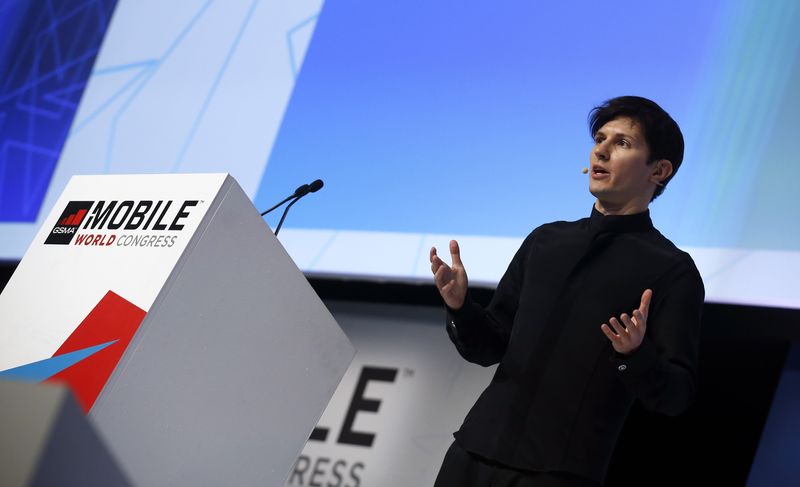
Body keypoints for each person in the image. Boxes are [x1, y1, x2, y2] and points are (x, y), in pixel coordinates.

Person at [429, 96, 704, 487]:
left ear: (659, 170)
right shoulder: (546, 241)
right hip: (472, 453)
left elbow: (675, 396)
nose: (601, 150)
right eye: (600, 139)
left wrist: (634, 354)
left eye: (622, 143)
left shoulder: (671, 271)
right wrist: (461, 307)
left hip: (559, 473)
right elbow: (487, 347)